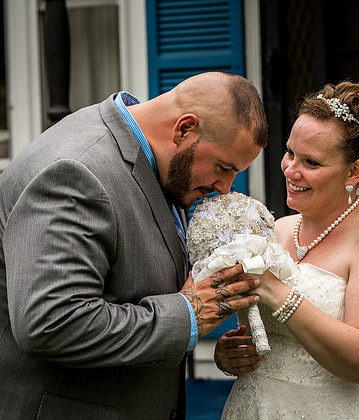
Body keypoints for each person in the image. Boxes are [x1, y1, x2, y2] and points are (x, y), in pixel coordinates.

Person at [0, 72, 268, 419]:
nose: (225, 187)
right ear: (184, 129)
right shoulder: (76, 171)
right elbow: (51, 322)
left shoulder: (158, 162)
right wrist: (186, 317)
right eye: (222, 167)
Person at [215, 81, 359, 419]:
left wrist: (274, 291)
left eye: (311, 162)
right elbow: (265, 337)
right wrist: (229, 354)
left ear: (354, 171)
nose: (290, 170)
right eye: (290, 152)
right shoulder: (276, 230)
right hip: (259, 407)